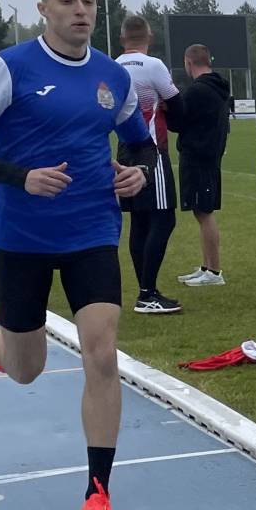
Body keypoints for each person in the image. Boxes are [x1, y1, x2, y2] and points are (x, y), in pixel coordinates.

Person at [0, 0, 152, 510]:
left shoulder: (113, 77)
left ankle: (98, 496)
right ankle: (0, 330)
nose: (80, 10)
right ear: (43, 9)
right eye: (67, 0)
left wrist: (136, 172)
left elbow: (142, 145)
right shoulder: (10, 68)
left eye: (88, 0)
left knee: (102, 353)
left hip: (93, 230)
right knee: (25, 370)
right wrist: (20, 176)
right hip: (23, 237)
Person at [113, 16, 183, 315]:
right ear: (149, 38)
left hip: (124, 149)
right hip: (151, 148)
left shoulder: (113, 66)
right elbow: (177, 104)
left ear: (122, 39)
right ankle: (147, 292)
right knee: (164, 218)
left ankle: (145, 290)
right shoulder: (153, 65)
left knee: (140, 221)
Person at [171, 44, 231, 287]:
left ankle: (214, 271)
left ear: (188, 62)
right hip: (209, 154)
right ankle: (206, 266)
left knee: (204, 212)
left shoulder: (197, 91)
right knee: (201, 210)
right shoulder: (218, 87)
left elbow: (178, 122)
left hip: (199, 156)